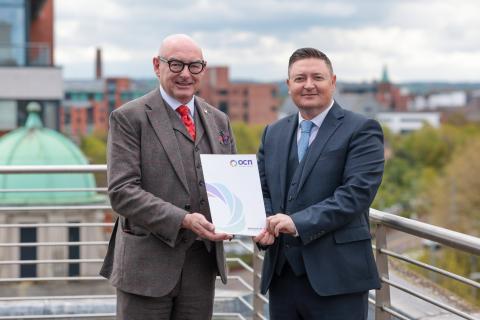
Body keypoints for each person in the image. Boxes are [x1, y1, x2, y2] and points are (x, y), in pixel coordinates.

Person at [100, 34, 236, 320]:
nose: (185, 74)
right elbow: (122, 191)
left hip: (201, 266)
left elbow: (231, 182)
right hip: (146, 268)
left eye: (194, 66)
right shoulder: (129, 117)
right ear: (156, 66)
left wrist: (243, 217)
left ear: (203, 69)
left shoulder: (218, 120)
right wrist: (183, 220)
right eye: (175, 64)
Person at [254, 47, 384, 319]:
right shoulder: (273, 133)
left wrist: (298, 223)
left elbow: (355, 195)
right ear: (288, 85)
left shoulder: (361, 129)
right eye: (300, 78)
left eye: (318, 77)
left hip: (338, 279)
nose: (309, 85)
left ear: (333, 82)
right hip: (282, 277)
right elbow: (261, 189)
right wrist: (261, 222)